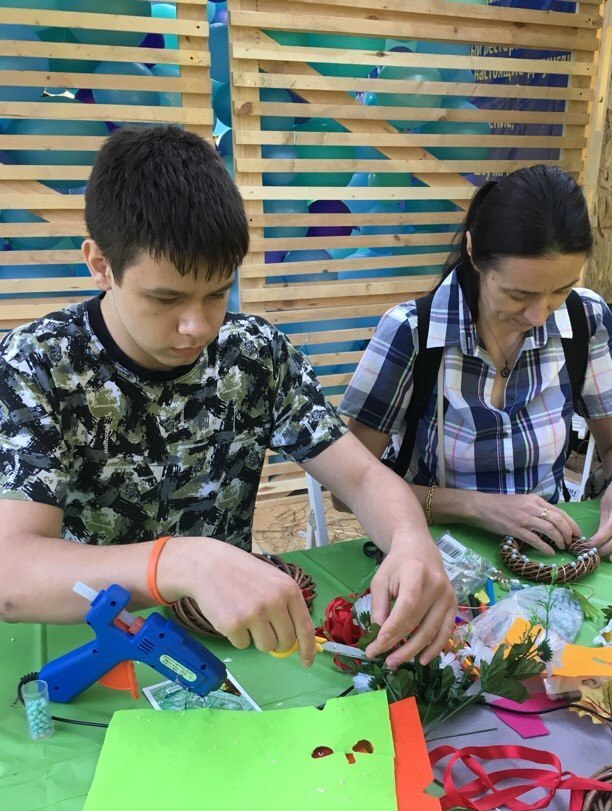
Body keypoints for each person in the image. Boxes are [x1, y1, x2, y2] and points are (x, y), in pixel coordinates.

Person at [0, 125, 456, 670]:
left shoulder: (254, 353)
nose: (197, 326)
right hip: (86, 646)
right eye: (166, 298)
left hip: (229, 642)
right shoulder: (38, 363)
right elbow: (13, 570)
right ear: (101, 264)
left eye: (217, 293)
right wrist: (180, 561)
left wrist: (410, 540)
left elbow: (358, 476)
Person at [339, 165, 612, 563]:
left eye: (560, 289)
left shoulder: (585, 319)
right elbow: (349, 492)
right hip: (435, 552)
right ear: (474, 252)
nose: (539, 315)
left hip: (548, 548)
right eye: (517, 294)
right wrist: (482, 508)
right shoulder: (412, 332)